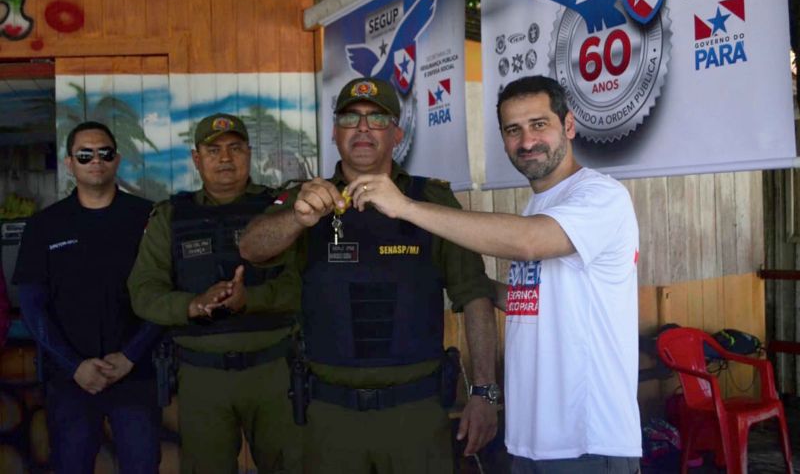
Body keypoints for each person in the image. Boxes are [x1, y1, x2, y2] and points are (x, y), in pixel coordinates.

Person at [339, 75, 642, 473]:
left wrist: (407, 208)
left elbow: (531, 242)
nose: (527, 141)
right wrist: (461, 284)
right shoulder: (540, 205)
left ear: (568, 126)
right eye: (513, 130)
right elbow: (533, 300)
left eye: (539, 125)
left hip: (586, 442)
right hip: (532, 442)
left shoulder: (600, 196)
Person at [239, 77, 499, 474]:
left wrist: (483, 391)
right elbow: (251, 247)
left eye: (376, 118)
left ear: (396, 133)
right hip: (329, 415)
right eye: (350, 118)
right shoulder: (309, 196)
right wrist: (297, 218)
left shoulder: (429, 200)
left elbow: (475, 295)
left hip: (414, 413)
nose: (362, 128)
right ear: (334, 131)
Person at [127, 113, 301, 474]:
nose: (225, 158)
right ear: (196, 158)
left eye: (235, 148)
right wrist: (191, 304)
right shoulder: (171, 216)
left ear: (250, 154)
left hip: (273, 369)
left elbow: (302, 286)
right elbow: (143, 291)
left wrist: (249, 299)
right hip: (201, 375)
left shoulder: (279, 210)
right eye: (214, 149)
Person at [12, 121, 162, 474]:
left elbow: (164, 293)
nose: (95, 160)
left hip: (135, 375)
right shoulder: (44, 226)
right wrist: (73, 366)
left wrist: (129, 357)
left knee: (142, 467)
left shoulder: (149, 218)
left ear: (117, 159)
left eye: (104, 153)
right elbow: (33, 306)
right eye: (84, 154)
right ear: (69, 164)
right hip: (70, 380)